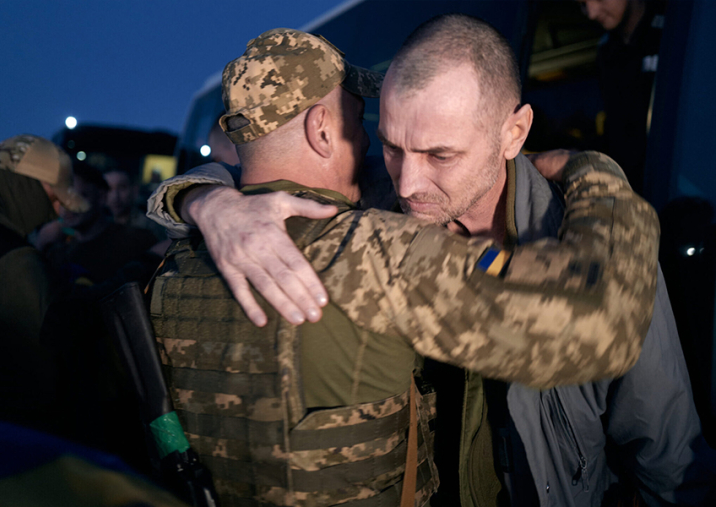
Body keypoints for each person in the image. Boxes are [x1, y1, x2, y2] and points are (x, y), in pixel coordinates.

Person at [147, 27, 664, 507]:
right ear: (322, 129)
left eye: (437, 154)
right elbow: (602, 327)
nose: (402, 179)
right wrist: (598, 176)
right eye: (365, 126)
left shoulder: (176, 264)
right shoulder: (375, 251)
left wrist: (202, 200)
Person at [0, 134, 88, 430]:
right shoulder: (12, 260)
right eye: (54, 197)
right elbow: (47, 370)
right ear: (21, 184)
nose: (55, 212)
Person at [579, 0, 665, 194]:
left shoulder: (677, 30)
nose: (591, 13)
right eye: (583, 4)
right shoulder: (607, 52)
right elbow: (619, 130)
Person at [44, 162, 162, 287]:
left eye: (77, 197)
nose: (67, 206)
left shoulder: (137, 241)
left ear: (101, 197)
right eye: (62, 198)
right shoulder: (58, 253)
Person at [104, 168, 169, 242]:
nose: (115, 196)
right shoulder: (100, 224)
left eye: (122, 188)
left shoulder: (147, 227)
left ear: (134, 190)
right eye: (109, 189)